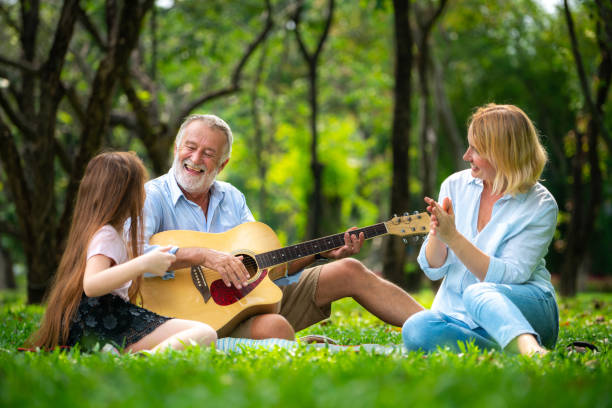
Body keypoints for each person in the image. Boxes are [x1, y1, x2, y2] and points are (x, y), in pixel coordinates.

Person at [143, 114, 424, 340]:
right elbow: (130, 255)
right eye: (190, 147)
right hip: (187, 320)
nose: (195, 159)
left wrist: (321, 253)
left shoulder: (232, 198)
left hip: (248, 303)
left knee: (348, 270)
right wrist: (203, 255)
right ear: (177, 148)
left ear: (223, 163)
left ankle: (437, 328)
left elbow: (266, 268)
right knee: (274, 328)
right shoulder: (152, 196)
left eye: (207, 153)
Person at [401, 103, 559, 356]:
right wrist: (440, 234)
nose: (466, 156)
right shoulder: (454, 185)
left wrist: (454, 237)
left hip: (526, 311)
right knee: (416, 328)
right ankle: (507, 353)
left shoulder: (540, 204)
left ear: (502, 153)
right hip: (464, 319)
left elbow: (511, 275)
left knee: (478, 293)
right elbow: (433, 269)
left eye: (475, 149)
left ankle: (531, 350)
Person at [27, 152, 217, 353]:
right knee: (205, 332)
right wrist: (143, 264)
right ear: (124, 194)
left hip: (99, 321)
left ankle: (116, 353)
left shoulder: (102, 232)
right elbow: (92, 284)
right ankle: (142, 360)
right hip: (105, 320)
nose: (145, 192)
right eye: (140, 186)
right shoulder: (106, 234)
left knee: (200, 336)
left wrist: (150, 259)